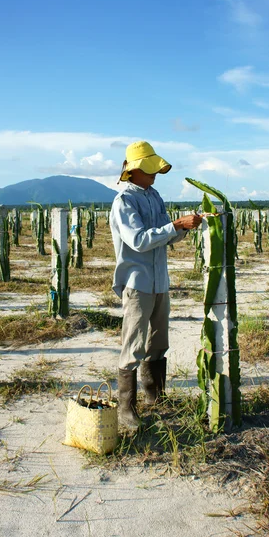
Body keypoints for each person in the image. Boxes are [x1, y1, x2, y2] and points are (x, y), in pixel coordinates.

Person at [110, 141, 202, 428]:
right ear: (134, 170)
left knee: (159, 341)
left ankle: (155, 397)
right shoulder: (124, 202)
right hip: (138, 283)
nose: (154, 175)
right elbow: (138, 240)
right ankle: (126, 410)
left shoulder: (155, 196)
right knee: (134, 343)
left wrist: (185, 228)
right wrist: (174, 226)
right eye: (149, 169)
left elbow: (166, 236)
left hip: (160, 280)